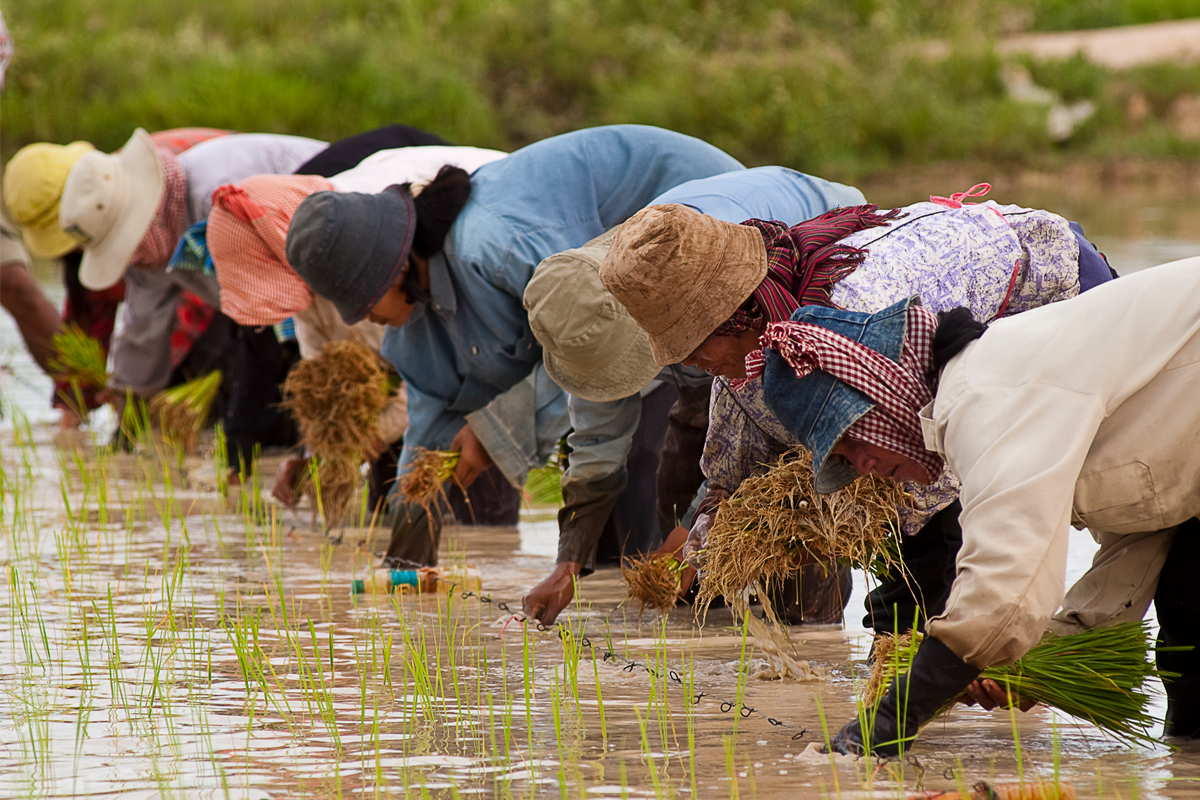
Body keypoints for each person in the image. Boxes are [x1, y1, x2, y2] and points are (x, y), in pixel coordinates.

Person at [599, 188, 1116, 636]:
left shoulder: (861, 313)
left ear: (739, 317)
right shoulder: (739, 372)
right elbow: (730, 482)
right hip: (952, 368)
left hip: (1048, 293)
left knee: (1083, 498)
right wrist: (702, 554)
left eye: (691, 345)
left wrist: (830, 528)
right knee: (913, 557)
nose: (687, 363)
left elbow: (935, 469)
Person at [740, 255, 1200, 754]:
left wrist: (888, 722)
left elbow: (1003, 581)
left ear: (882, 396)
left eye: (850, 444)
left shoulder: (987, 394)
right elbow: (1150, 518)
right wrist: (1045, 651)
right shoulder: (990, 391)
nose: (861, 466)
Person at [285, 124, 745, 566]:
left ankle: (701, 603)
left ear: (396, 269)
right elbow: (430, 399)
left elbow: (583, 337)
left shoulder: (497, 246)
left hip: (697, 217)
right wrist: (407, 545)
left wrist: (492, 436)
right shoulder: (425, 299)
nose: (364, 319)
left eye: (364, 302)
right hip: (614, 292)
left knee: (665, 461)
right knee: (600, 506)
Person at [520, 166, 867, 624]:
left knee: (794, 486)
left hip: (794, 292)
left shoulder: (699, 280)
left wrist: (690, 537)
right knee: (682, 477)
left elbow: (741, 441)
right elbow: (597, 446)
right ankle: (709, 619)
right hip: (725, 332)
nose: (687, 364)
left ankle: (812, 633)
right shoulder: (593, 312)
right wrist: (567, 565)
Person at [204, 143, 507, 510]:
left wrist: (355, 447)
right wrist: (321, 451)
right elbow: (322, 374)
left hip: (488, 321)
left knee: (468, 488)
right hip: (432, 353)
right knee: (392, 505)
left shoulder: (366, 249)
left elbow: (430, 376)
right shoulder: (309, 250)